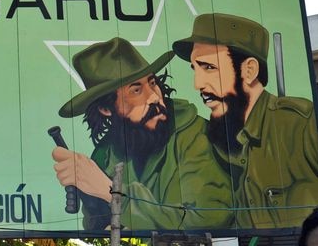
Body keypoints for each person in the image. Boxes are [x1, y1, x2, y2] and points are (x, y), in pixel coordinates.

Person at [52, 37, 232, 231]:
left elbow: (209, 219)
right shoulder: (105, 155)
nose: (154, 97)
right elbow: (100, 231)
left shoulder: (195, 136)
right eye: (137, 90)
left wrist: (110, 192)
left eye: (152, 83)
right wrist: (91, 198)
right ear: (106, 108)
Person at [172, 13, 318, 229]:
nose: (198, 84)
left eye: (209, 67)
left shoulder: (300, 125)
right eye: (195, 69)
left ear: (249, 70)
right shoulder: (215, 143)